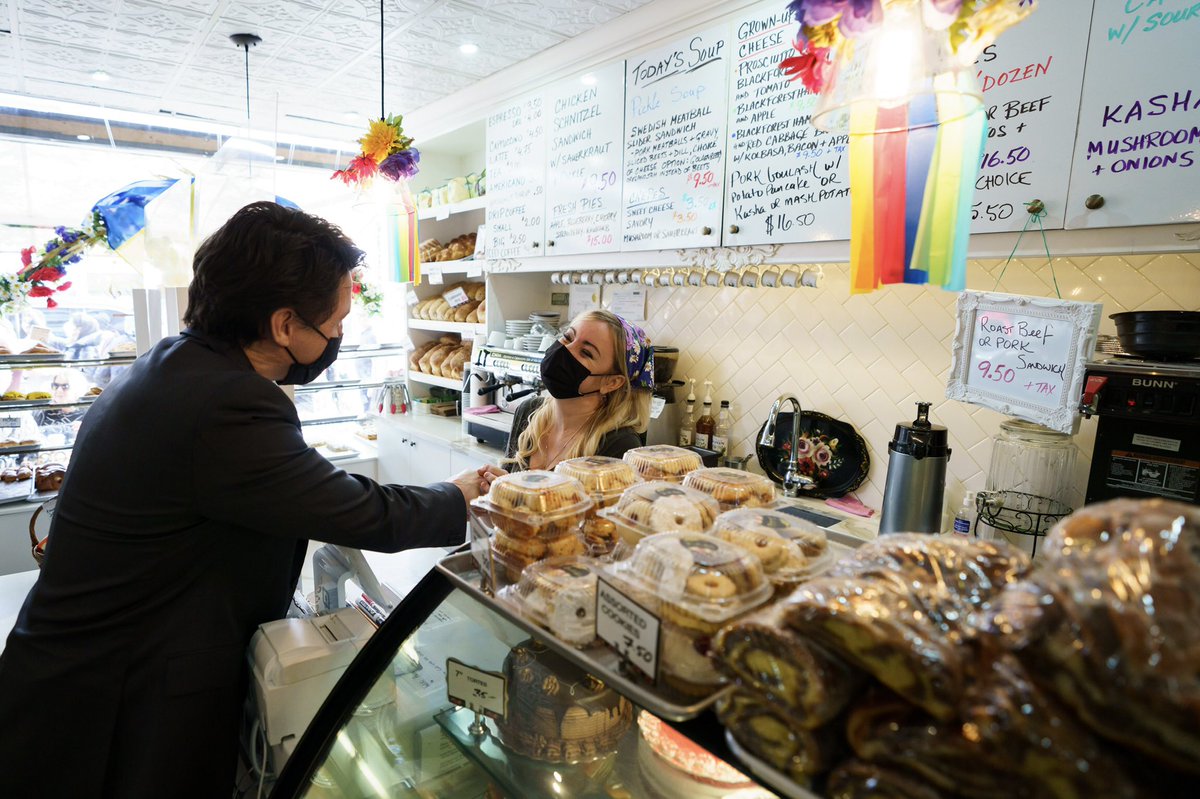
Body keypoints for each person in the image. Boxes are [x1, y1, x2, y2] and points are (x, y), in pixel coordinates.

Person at [0, 202, 503, 798]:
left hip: (79, 676)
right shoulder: (225, 403)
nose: (340, 336)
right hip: (113, 703)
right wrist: (458, 496)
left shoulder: (174, 364)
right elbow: (357, 510)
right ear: (285, 324)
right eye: (337, 322)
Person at [504, 309, 654, 471]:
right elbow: (510, 483)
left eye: (586, 353)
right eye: (568, 337)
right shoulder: (529, 411)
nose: (565, 350)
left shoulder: (618, 444)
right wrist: (497, 481)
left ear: (612, 382)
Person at [31, 370, 86, 445]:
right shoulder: (42, 411)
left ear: (77, 390)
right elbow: (28, 434)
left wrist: (84, 431)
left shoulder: (86, 415)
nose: (59, 390)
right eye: (55, 386)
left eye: (65, 386)